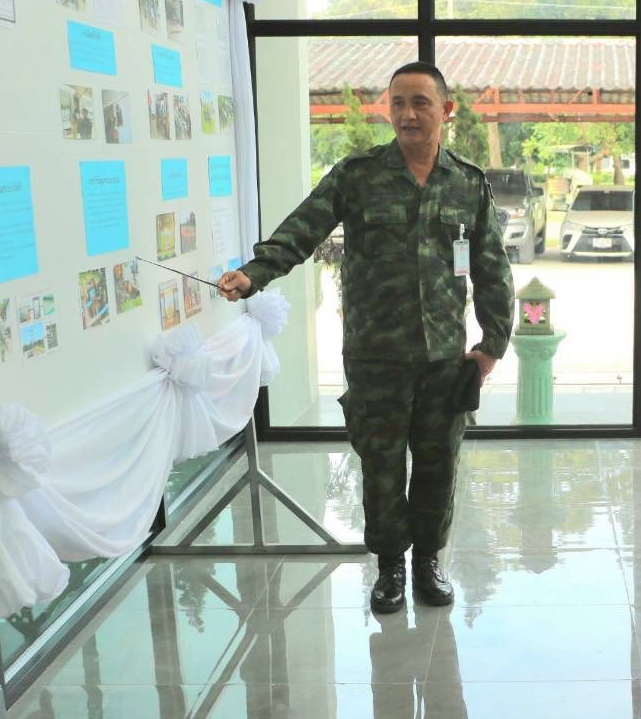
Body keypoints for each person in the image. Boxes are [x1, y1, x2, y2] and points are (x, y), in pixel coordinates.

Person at [217, 62, 513, 614]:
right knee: (380, 467)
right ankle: (390, 566)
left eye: (421, 103)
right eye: (398, 103)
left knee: (438, 466)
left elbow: (492, 267)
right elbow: (301, 229)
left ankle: (428, 561)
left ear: (446, 110)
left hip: (445, 358)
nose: (408, 114)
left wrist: (491, 344)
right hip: (375, 356)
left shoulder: (467, 183)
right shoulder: (358, 176)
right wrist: (254, 275)